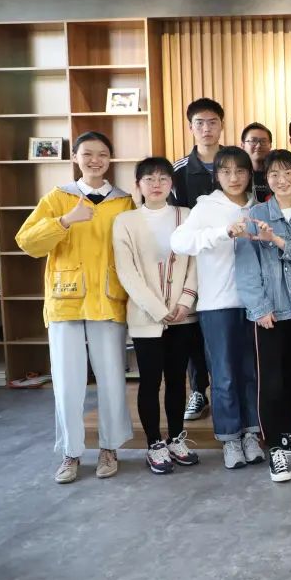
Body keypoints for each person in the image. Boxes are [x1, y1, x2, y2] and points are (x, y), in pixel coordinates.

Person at [16, 131, 134, 484]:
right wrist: (65, 221)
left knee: (112, 380)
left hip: (108, 301)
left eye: (102, 154)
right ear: (76, 158)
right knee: (68, 384)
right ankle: (71, 452)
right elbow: (27, 242)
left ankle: (109, 448)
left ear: (110, 159)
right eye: (87, 154)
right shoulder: (58, 198)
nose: (94, 160)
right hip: (66, 301)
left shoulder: (123, 202)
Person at [171, 146, 263, 470]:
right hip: (217, 305)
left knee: (251, 373)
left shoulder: (258, 207)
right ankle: (229, 438)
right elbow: (179, 242)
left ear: (250, 174)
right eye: (226, 171)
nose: (234, 177)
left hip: (255, 305)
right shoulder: (206, 207)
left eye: (240, 171)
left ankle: (251, 434)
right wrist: (222, 233)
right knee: (224, 375)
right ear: (217, 176)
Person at [234, 149, 291, 483]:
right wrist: (259, 308)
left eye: (288, 173)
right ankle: (274, 448)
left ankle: (289, 432)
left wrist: (279, 241)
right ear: (266, 179)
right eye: (274, 174)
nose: (281, 180)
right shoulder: (254, 215)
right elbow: (246, 268)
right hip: (270, 311)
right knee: (270, 382)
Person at [112, 156, 201, 475]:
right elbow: (127, 272)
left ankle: (176, 438)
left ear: (171, 183)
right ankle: (154, 443)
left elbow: (195, 263)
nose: (156, 184)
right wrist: (159, 310)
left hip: (183, 315)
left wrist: (185, 302)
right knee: (150, 381)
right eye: (148, 179)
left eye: (163, 178)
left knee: (178, 380)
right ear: (138, 185)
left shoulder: (186, 216)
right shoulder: (125, 221)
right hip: (146, 317)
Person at [172, 97, 224, 422]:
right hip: (193, 262)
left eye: (212, 122)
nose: (206, 129)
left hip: (229, 258)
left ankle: (227, 390)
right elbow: (174, 218)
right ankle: (198, 390)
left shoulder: (235, 163)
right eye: (200, 123)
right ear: (191, 127)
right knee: (195, 330)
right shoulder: (178, 170)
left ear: (221, 125)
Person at [241, 122, 273, 202]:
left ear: (270, 145)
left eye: (263, 141)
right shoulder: (237, 175)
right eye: (253, 141)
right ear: (242, 145)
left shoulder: (277, 174)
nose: (258, 145)